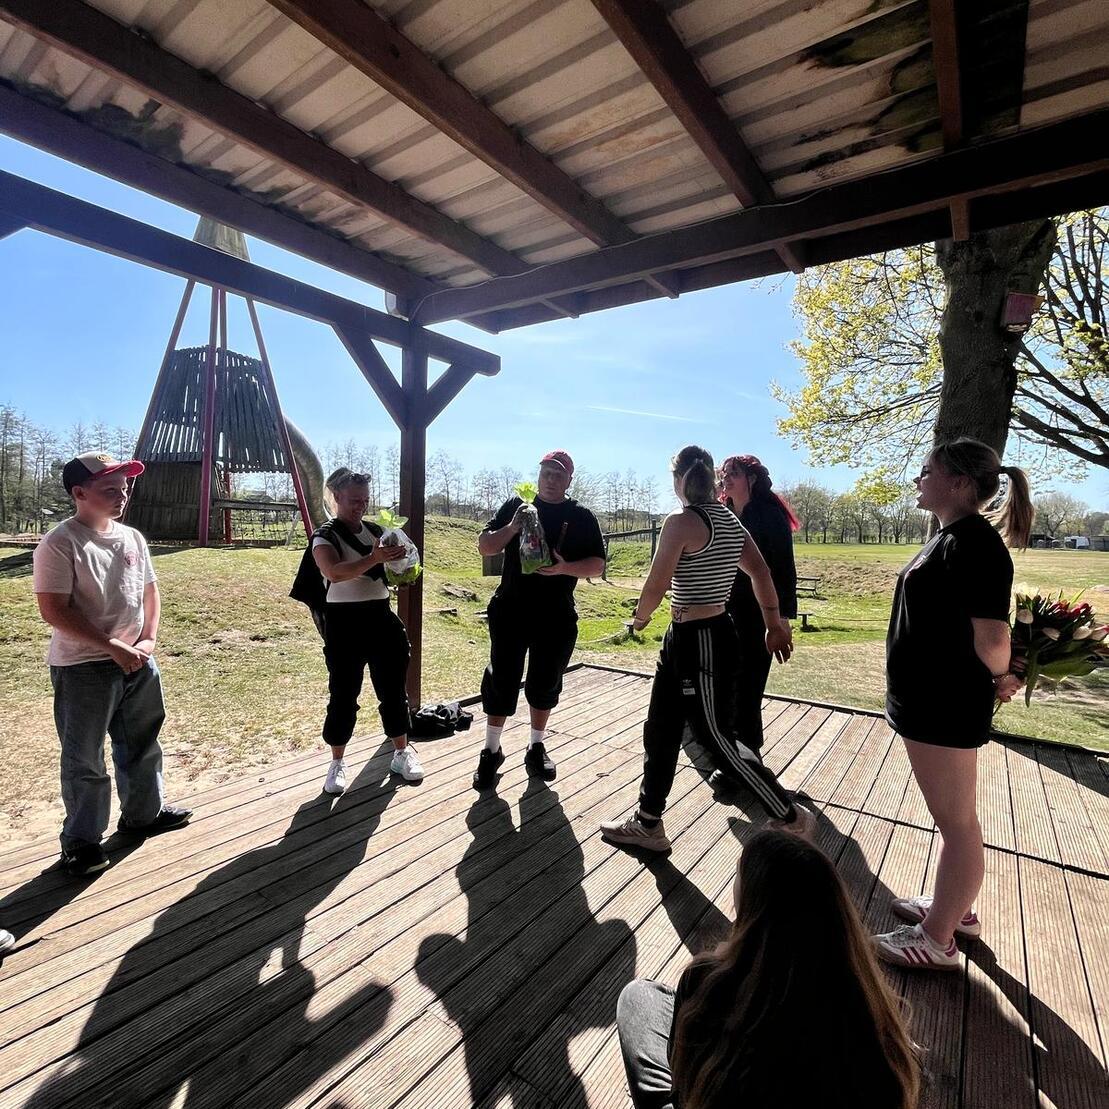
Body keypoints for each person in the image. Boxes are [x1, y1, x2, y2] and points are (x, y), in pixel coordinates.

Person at [601, 446, 814, 854]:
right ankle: (649, 822)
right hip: (689, 636)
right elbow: (761, 572)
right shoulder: (732, 521)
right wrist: (773, 622)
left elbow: (656, 582)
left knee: (716, 736)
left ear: (678, 479)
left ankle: (789, 817)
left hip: (701, 638)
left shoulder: (680, 522)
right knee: (660, 728)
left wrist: (639, 618)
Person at [616, 830, 921, 1109]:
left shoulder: (710, 981)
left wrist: (719, 966)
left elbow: (689, 1088)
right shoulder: (871, 1011)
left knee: (640, 996)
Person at [873, 438, 1030, 970]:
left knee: (958, 823)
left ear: (960, 483)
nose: (918, 478)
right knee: (953, 819)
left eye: (928, 470)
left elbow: (990, 638)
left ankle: (937, 938)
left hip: (943, 706)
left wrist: (1003, 674)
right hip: (928, 703)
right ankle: (954, 909)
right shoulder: (950, 537)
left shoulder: (976, 546)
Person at [32, 452, 192, 878]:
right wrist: (112, 646)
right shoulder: (60, 542)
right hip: (83, 667)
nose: (121, 496)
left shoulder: (133, 539)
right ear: (79, 494)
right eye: (110, 490)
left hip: (138, 661)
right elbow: (54, 609)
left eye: (123, 488)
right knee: (84, 757)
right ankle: (81, 842)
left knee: (141, 741)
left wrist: (148, 639)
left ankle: (144, 814)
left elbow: (150, 594)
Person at [473, 450, 605, 790]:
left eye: (558, 474)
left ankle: (536, 745)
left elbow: (597, 565)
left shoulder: (581, 516)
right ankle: (491, 750)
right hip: (511, 609)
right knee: (502, 679)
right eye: (546, 472)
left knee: (545, 684)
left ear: (568, 480)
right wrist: (513, 526)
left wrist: (564, 568)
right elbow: (485, 546)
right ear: (539, 474)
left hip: (556, 614)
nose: (550, 478)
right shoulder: (517, 505)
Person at [311, 468, 423, 793]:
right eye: (353, 500)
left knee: (393, 691)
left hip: (381, 619)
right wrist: (373, 558)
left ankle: (401, 753)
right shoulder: (325, 535)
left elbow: (392, 571)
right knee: (344, 696)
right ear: (335, 497)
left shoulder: (377, 531)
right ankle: (336, 763)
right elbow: (333, 571)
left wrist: (403, 570)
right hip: (344, 624)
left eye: (364, 499)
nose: (360, 506)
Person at [718, 454, 799, 759]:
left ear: (751, 479)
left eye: (733, 473)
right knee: (725, 682)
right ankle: (729, 749)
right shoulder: (723, 513)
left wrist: (780, 620)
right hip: (723, 612)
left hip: (758, 613)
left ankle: (748, 754)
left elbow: (782, 569)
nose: (725, 478)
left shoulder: (768, 515)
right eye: (723, 473)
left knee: (748, 684)